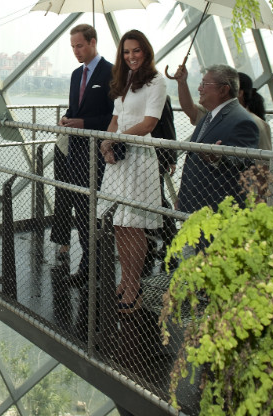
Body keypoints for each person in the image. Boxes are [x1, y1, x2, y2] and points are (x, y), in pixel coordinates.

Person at [96, 30, 167, 313]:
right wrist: (106, 142)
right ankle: (125, 279)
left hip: (138, 159)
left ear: (146, 52)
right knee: (118, 223)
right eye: (126, 52)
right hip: (119, 159)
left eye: (136, 50)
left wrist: (116, 138)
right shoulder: (124, 81)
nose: (131, 56)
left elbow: (149, 123)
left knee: (134, 224)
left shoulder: (156, 81)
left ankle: (135, 285)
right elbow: (115, 119)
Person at [52, 23, 114, 285]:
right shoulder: (77, 75)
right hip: (76, 152)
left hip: (98, 153)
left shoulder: (111, 72)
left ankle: (96, 268)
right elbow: (75, 108)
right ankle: (89, 268)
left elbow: (114, 117)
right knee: (81, 209)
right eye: (73, 47)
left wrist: (84, 124)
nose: (76, 51)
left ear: (93, 42)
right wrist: (67, 118)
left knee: (94, 212)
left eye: (79, 45)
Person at [175, 64, 260, 227]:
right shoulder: (209, 116)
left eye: (205, 84)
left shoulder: (242, 121)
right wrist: (183, 195)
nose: (199, 88)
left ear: (223, 90)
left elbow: (241, 158)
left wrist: (218, 157)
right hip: (196, 207)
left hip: (217, 213)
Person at [173, 65, 271, 150]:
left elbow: (263, 163)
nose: (199, 89)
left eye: (205, 84)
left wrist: (216, 160)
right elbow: (190, 109)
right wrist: (182, 83)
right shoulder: (212, 115)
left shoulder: (253, 123)